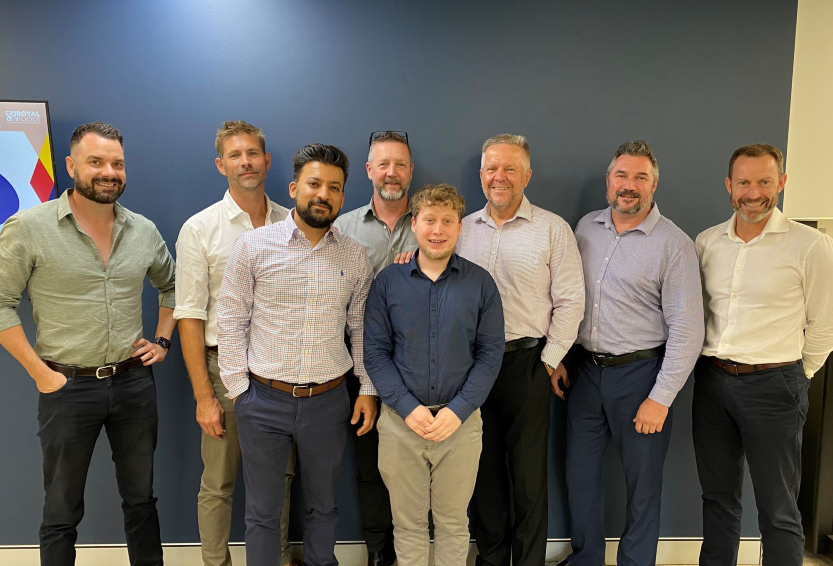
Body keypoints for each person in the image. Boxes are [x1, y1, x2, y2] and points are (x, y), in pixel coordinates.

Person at [0, 122, 176, 566]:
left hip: (133, 384)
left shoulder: (143, 230)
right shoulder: (29, 227)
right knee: (61, 509)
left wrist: (162, 340)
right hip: (66, 387)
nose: (109, 172)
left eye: (117, 163)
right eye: (96, 162)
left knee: (142, 500)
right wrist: (41, 374)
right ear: (71, 165)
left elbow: (174, 287)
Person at [217, 143, 376, 566]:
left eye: (334, 188)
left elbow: (360, 328)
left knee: (323, 507)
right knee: (262, 512)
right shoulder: (253, 246)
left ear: (342, 196)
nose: (323, 194)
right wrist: (239, 390)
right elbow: (230, 319)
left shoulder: (355, 256)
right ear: (294, 188)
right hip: (262, 400)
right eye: (314, 184)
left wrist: (367, 389)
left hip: (328, 401)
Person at [557, 140, 704, 566]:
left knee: (642, 485)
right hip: (585, 373)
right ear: (609, 181)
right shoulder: (585, 228)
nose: (629, 185)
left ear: (654, 185)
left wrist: (661, 398)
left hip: (642, 377)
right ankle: (585, 558)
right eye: (622, 175)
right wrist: (560, 356)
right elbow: (567, 298)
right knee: (580, 476)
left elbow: (688, 329)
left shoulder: (674, 244)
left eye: (641, 177)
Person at [694, 144, 833, 566]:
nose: (753, 193)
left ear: (781, 183)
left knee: (778, 507)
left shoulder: (811, 245)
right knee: (717, 498)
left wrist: (799, 374)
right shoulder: (707, 242)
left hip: (775, 385)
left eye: (764, 182)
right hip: (712, 382)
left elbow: (825, 324)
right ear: (728, 185)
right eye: (744, 182)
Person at [457, 134, 585, 566]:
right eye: (492, 168)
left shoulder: (552, 229)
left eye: (510, 169)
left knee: (529, 478)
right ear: (481, 175)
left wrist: (548, 361)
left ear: (527, 175)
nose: (500, 177)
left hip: (529, 362)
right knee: (484, 474)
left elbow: (571, 301)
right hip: (472, 367)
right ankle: (492, 559)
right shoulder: (460, 229)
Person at [173, 121, 296, 566]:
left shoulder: (293, 221)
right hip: (222, 371)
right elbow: (189, 315)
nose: (246, 162)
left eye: (253, 153)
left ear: (266, 160)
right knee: (219, 483)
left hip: (281, 374)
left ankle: (275, 558)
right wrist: (203, 396)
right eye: (235, 155)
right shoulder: (200, 229)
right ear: (220, 164)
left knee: (280, 479)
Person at [364, 183, 505, 566]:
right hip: (400, 425)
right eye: (429, 220)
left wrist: (458, 411)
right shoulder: (387, 283)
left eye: (447, 221)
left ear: (460, 227)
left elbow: (490, 355)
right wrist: (407, 407)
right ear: (414, 224)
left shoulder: (480, 284)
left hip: (459, 426)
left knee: (453, 524)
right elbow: (375, 353)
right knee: (407, 525)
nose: (437, 230)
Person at [333, 130, 416, 566]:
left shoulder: (432, 225)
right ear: (369, 170)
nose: (391, 172)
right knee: (370, 467)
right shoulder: (342, 228)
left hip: (419, 367)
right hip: (358, 365)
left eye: (400, 164)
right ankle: (379, 553)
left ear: (411, 171)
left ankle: (411, 553)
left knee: (413, 469)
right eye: (383, 164)